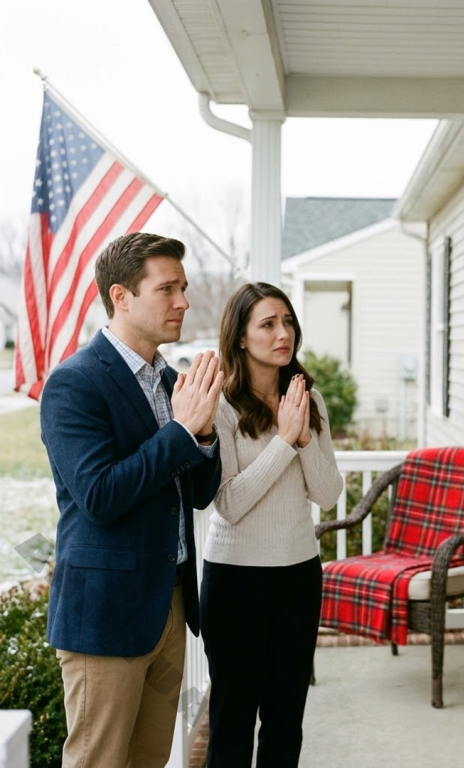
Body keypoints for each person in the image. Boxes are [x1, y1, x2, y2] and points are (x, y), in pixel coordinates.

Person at [40, 232, 224, 768]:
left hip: (168, 606)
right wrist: (182, 433)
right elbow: (99, 495)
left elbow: (199, 493)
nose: (183, 301)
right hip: (104, 612)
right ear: (121, 296)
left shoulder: (170, 381)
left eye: (183, 288)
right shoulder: (74, 383)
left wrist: (205, 437)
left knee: (149, 760)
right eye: (167, 288)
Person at [201, 281, 343, 767]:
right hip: (235, 582)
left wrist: (302, 439)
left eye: (287, 321)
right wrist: (284, 441)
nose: (283, 333)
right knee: (232, 723)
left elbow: (326, 496)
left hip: (298, 578)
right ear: (241, 337)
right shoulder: (219, 405)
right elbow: (229, 503)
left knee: (286, 721)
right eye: (267, 324)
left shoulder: (310, 400)